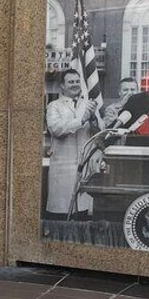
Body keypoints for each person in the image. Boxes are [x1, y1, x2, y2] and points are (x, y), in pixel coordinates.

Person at [45, 68, 99, 220]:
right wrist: (81, 120)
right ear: (62, 85)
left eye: (77, 81)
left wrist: (94, 119)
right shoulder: (54, 106)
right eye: (70, 82)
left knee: (83, 211)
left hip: (84, 166)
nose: (75, 85)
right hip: (63, 166)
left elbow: (99, 132)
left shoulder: (88, 105)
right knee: (62, 213)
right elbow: (56, 128)